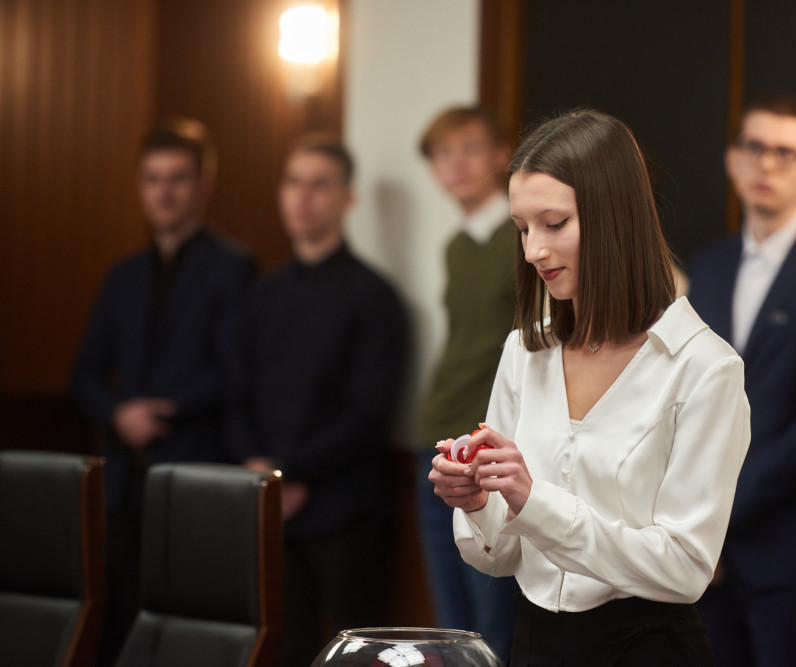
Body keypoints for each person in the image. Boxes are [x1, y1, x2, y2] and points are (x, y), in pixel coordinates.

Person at [429, 109, 751, 666]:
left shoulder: (703, 366)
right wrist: (480, 503)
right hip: (534, 644)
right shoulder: (525, 351)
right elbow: (500, 558)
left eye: (554, 224)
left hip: (645, 650)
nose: (532, 251)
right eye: (522, 228)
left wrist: (535, 501)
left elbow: (685, 568)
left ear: (614, 219)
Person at [71, 118, 255, 664]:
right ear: (140, 186)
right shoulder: (122, 275)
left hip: (195, 469)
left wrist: (165, 410)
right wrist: (119, 414)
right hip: (122, 481)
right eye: (153, 179)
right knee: (120, 625)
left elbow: (236, 373)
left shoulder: (234, 267)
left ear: (203, 185)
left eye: (177, 178)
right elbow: (83, 374)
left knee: (190, 628)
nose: (164, 191)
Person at [226, 134, 409, 666]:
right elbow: (235, 393)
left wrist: (290, 472)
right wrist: (262, 469)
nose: (302, 197)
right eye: (293, 183)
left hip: (343, 507)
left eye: (319, 185)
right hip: (269, 505)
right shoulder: (262, 293)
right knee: (283, 648)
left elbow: (369, 411)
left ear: (347, 199)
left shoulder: (374, 296)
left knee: (358, 652)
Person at [689, 95, 796, 666]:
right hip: (704, 555)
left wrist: (720, 512)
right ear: (731, 160)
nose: (766, 164)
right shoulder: (708, 267)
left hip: (793, 551)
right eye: (754, 147)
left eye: (786, 152)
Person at [415, 105, 519, 658]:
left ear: (501, 154)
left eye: (471, 148)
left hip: (486, 441)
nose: (457, 163)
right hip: (437, 437)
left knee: (490, 622)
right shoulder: (457, 245)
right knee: (448, 625)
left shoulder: (521, 236)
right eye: (443, 153)